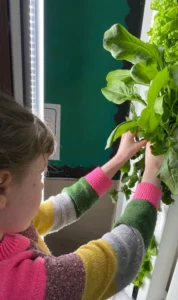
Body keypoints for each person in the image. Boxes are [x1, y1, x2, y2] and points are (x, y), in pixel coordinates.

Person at [0, 94, 163, 300]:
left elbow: (64, 207)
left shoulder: (10, 223)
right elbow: (118, 259)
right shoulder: (27, 288)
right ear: (2, 188)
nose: (42, 183)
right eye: (40, 173)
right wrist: (152, 173)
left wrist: (119, 159)